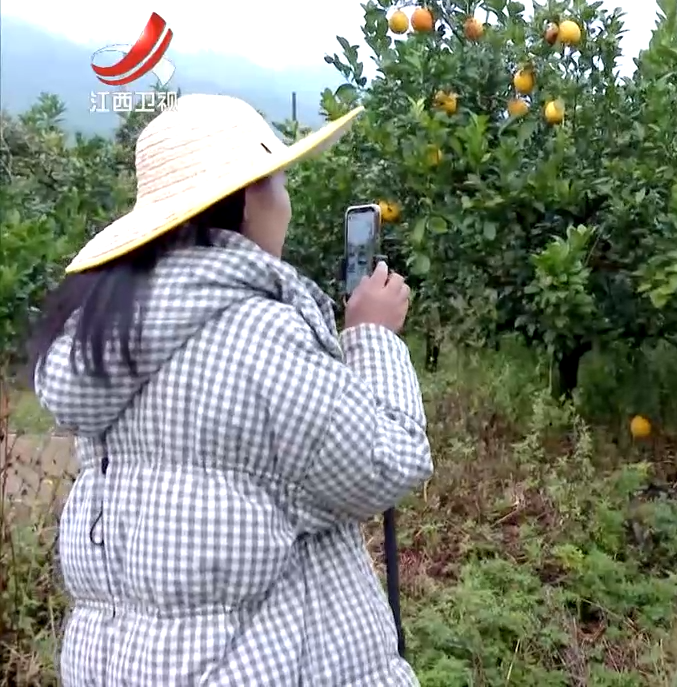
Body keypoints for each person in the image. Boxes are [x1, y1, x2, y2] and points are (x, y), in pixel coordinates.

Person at [25, 94, 432, 686]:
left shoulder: (107, 332)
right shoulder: (257, 335)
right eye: (280, 181)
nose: (286, 203)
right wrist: (372, 337)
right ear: (248, 199)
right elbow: (386, 461)